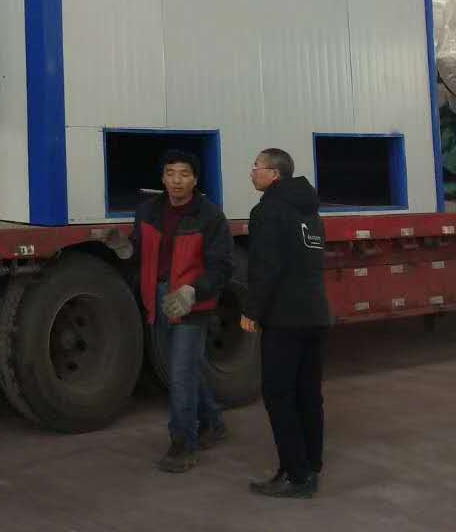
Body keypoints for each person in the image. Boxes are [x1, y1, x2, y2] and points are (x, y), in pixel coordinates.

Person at [130, 149, 233, 473]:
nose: (177, 181)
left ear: (195, 179)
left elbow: (221, 266)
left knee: (180, 374)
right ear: (162, 178)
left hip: (191, 303)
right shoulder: (148, 211)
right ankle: (213, 421)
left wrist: (192, 291)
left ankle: (183, 444)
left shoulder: (210, 216)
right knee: (183, 368)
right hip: (158, 299)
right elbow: (139, 251)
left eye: (184, 174)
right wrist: (123, 247)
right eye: (171, 173)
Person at [242, 148, 332, 499]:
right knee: (308, 394)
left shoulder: (268, 211)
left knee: (279, 396)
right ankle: (310, 466)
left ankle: (296, 476)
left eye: (257, 167)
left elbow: (265, 267)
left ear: (274, 175)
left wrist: (251, 310)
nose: (252, 172)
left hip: (285, 319)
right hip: (316, 315)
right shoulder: (310, 211)